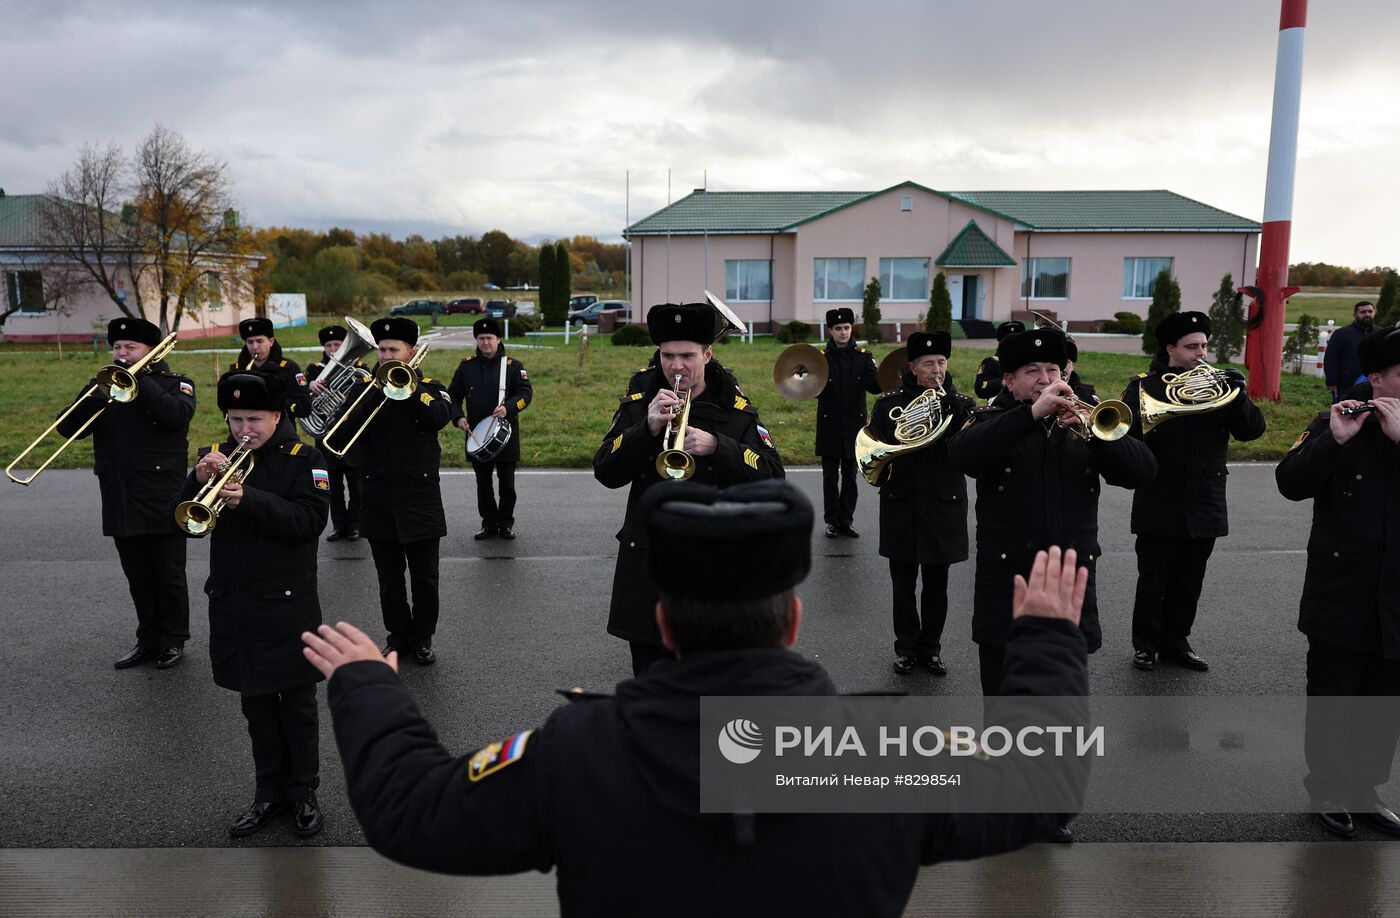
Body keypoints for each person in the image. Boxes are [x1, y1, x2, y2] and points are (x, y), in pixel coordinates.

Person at [302, 481, 1091, 917]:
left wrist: (366, 680)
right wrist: (1049, 638)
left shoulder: (578, 750)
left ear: (662, 623)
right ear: (793, 618)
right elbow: (1042, 778)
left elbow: (412, 810)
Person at [949, 326, 1157, 696]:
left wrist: (1097, 434)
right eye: (1032, 371)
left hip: (1069, 584)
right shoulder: (991, 419)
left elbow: (1143, 472)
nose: (1045, 380)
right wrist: (1028, 416)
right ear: (1010, 381)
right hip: (1008, 586)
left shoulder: (1089, 418)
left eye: (1053, 370)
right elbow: (963, 455)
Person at [176, 371, 329, 838]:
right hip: (234, 604)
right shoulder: (215, 457)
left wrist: (250, 499)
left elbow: (309, 521)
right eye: (236, 417)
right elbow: (186, 522)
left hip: (287, 607)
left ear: (277, 416)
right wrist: (194, 481)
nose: (245, 427)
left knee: (297, 707)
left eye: (255, 419)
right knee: (256, 707)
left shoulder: (306, 459)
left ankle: (302, 792)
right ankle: (267, 794)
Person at [593, 302, 784, 676]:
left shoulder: (736, 410)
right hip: (650, 564)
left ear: (707, 354)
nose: (676, 366)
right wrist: (645, 430)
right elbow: (606, 470)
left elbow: (774, 476)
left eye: (687, 356)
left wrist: (719, 447)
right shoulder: (640, 401)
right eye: (667, 356)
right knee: (652, 681)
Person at [1277, 325, 1400, 839]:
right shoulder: (1337, 421)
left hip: (1396, 596)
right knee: (1334, 694)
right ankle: (1327, 787)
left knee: (1384, 696)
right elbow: (1290, 483)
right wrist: (1334, 440)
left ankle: (1365, 788)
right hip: (1341, 591)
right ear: (1376, 379)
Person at [1121, 311, 1266, 672]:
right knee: (1154, 576)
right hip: (1160, 492)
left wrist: (1239, 398)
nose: (1201, 353)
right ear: (1171, 348)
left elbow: (1251, 431)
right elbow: (1128, 432)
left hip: (1205, 495)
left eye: (1204, 345)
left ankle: (1176, 641)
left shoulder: (1222, 385)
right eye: (1191, 347)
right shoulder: (1144, 387)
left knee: (1190, 578)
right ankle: (1146, 644)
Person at [55, 317, 194, 670]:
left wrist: (141, 381)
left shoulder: (177, 383)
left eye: (130, 348)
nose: (121, 354)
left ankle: (173, 640)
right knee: (138, 575)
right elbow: (67, 428)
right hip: (120, 494)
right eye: (117, 347)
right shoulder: (102, 386)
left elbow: (175, 416)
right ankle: (147, 639)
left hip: (163, 495)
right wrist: (97, 395)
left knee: (168, 573)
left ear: (151, 350)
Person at [346, 317, 455, 665]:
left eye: (393, 350)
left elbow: (439, 416)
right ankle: (398, 635)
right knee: (389, 581)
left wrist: (406, 391)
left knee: (425, 579)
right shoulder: (366, 386)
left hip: (419, 498)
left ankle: (422, 637)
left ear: (411, 353)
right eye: (382, 349)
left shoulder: (430, 388)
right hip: (377, 496)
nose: (386, 355)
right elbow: (346, 426)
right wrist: (374, 390)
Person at [867, 331, 974, 676]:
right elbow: (876, 451)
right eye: (928, 363)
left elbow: (970, 453)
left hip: (944, 503)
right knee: (902, 585)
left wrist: (958, 416)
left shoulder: (962, 406)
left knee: (937, 585)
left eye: (941, 362)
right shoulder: (890, 405)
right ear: (913, 367)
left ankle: (931, 648)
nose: (936, 369)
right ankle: (906, 648)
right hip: (902, 502)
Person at [448, 317, 533, 541]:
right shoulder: (466, 366)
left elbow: (525, 394)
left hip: (505, 435)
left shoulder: (513, 366)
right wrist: (457, 417)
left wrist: (509, 407)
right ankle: (489, 523)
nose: (485, 342)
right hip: (476, 435)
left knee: (507, 484)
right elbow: (452, 397)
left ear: (498, 339)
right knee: (483, 484)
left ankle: (505, 523)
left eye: (489, 338)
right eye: (481, 338)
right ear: (476, 340)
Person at [814, 306, 881, 538]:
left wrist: (888, 376)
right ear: (830, 331)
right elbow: (813, 390)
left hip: (854, 426)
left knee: (851, 476)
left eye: (847, 327)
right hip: (829, 425)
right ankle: (832, 521)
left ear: (851, 328)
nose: (843, 332)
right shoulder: (821, 360)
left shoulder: (863, 356)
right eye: (838, 328)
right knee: (830, 476)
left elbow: (874, 386)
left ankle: (846, 520)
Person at [306, 324, 364, 542]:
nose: (332, 349)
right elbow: (301, 396)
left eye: (337, 345)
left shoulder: (359, 368)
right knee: (333, 488)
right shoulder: (313, 370)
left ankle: (356, 525)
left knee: (358, 487)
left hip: (353, 438)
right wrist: (309, 386)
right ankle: (339, 526)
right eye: (328, 345)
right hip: (326, 436)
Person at [231, 317, 312, 425]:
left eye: (260, 341)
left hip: (281, 434)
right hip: (244, 431)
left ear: (271, 341)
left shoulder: (289, 368)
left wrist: (273, 402)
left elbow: (305, 407)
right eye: (250, 342)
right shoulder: (236, 370)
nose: (255, 347)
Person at [1322, 301, 1378, 403]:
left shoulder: (1379, 334)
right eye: (1363, 312)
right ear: (1355, 314)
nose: (1367, 314)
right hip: (1346, 386)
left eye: (1370, 311)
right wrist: (1331, 382)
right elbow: (1330, 359)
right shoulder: (1341, 334)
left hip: (1374, 386)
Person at [972, 320, 1025, 402]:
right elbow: (979, 388)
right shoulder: (991, 362)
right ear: (1001, 343)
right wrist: (1002, 382)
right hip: (999, 407)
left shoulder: (1027, 362)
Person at [1062, 337, 1099, 405]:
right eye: (1059, 364)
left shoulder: (1087, 393)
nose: (1063, 368)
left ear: (1072, 366)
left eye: (1067, 362)